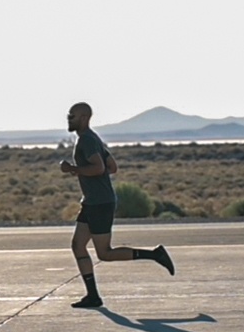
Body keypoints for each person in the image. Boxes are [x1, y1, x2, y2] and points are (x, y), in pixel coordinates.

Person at [60, 102, 175, 309]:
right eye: (69, 115)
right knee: (78, 245)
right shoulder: (93, 139)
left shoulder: (87, 140)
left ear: (84, 117)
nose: (69, 119)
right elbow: (112, 167)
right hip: (92, 202)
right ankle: (93, 296)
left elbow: (99, 168)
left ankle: (155, 254)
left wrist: (73, 169)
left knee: (104, 253)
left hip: (100, 203)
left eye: (72, 116)